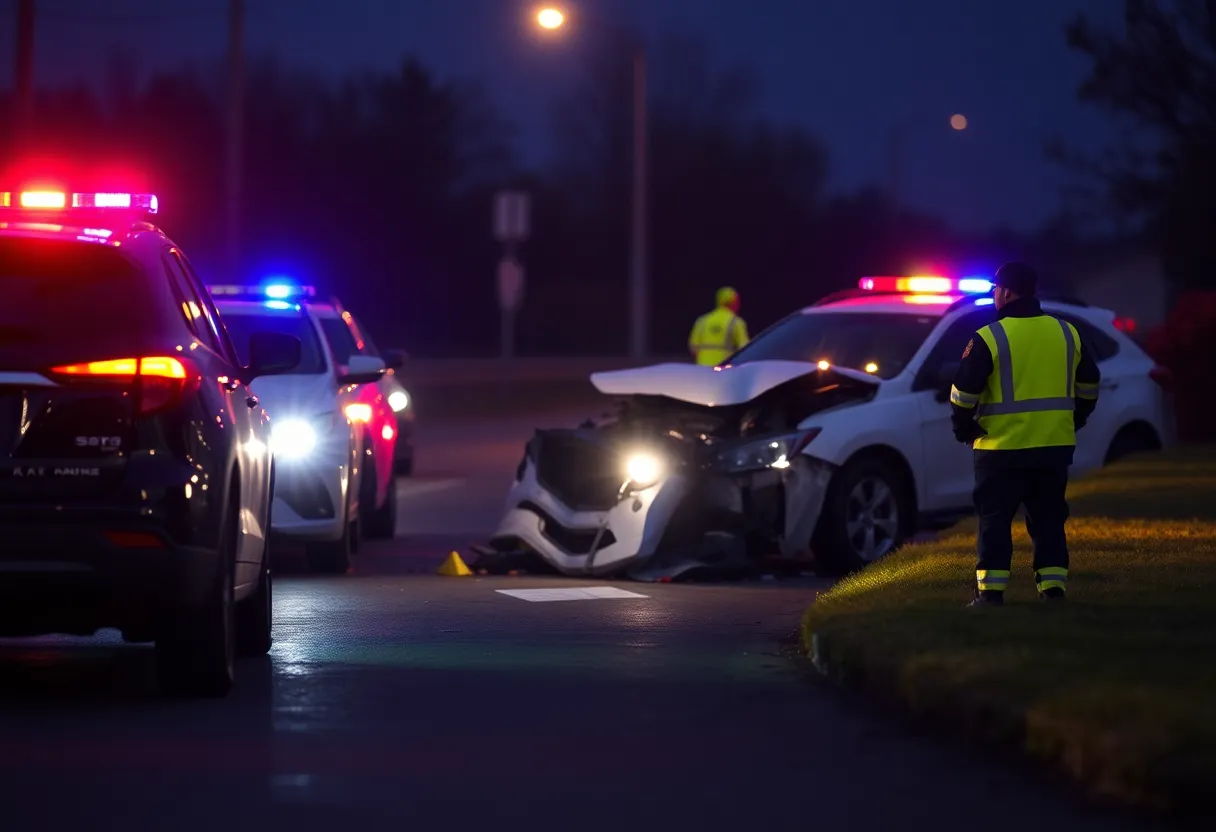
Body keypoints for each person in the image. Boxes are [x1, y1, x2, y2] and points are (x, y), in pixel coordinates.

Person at [948, 261, 1101, 607]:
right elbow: (1090, 383)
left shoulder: (989, 337)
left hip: (1000, 449)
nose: (993, 296)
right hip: (1053, 447)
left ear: (1006, 292)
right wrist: (1077, 417)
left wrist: (964, 428)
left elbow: (963, 394)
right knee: (1048, 521)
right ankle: (1053, 590)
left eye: (994, 290)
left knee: (994, 521)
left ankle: (990, 594)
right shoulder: (1067, 332)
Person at [688, 286, 749, 366]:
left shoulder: (702, 320)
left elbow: (693, 348)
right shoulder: (737, 322)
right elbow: (745, 350)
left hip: (702, 369)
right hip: (724, 371)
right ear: (733, 302)